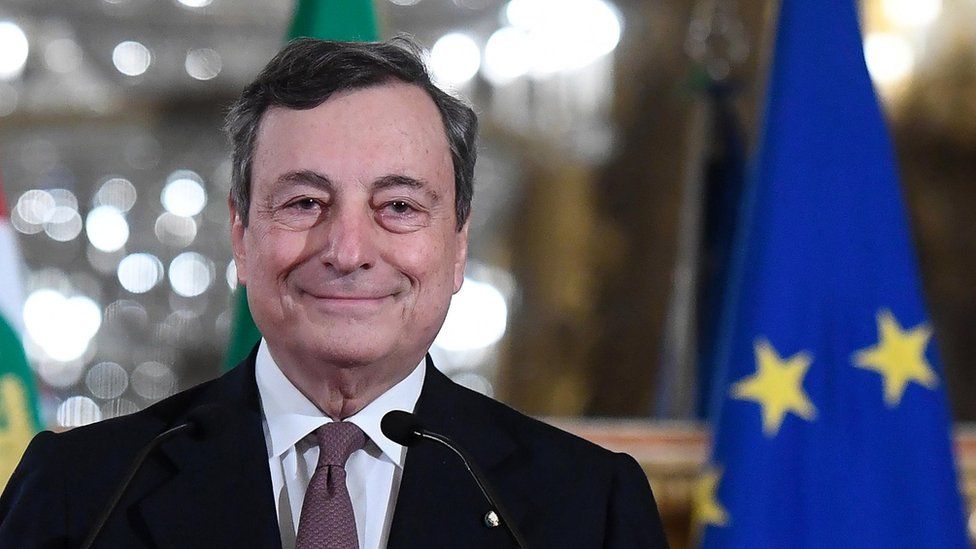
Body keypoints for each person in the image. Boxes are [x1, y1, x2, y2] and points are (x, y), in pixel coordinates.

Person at [0, 38, 669, 548]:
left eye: (399, 206)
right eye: (304, 202)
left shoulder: (591, 505)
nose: (347, 252)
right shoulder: (80, 491)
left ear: (458, 244)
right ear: (241, 233)